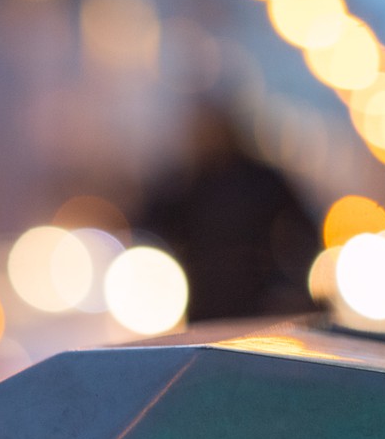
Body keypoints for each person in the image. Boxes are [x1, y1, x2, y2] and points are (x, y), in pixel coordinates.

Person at [134, 102, 319, 320]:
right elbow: (150, 226)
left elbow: (301, 231)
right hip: (204, 297)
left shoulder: (261, 181)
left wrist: (287, 283)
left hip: (256, 296)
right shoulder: (186, 184)